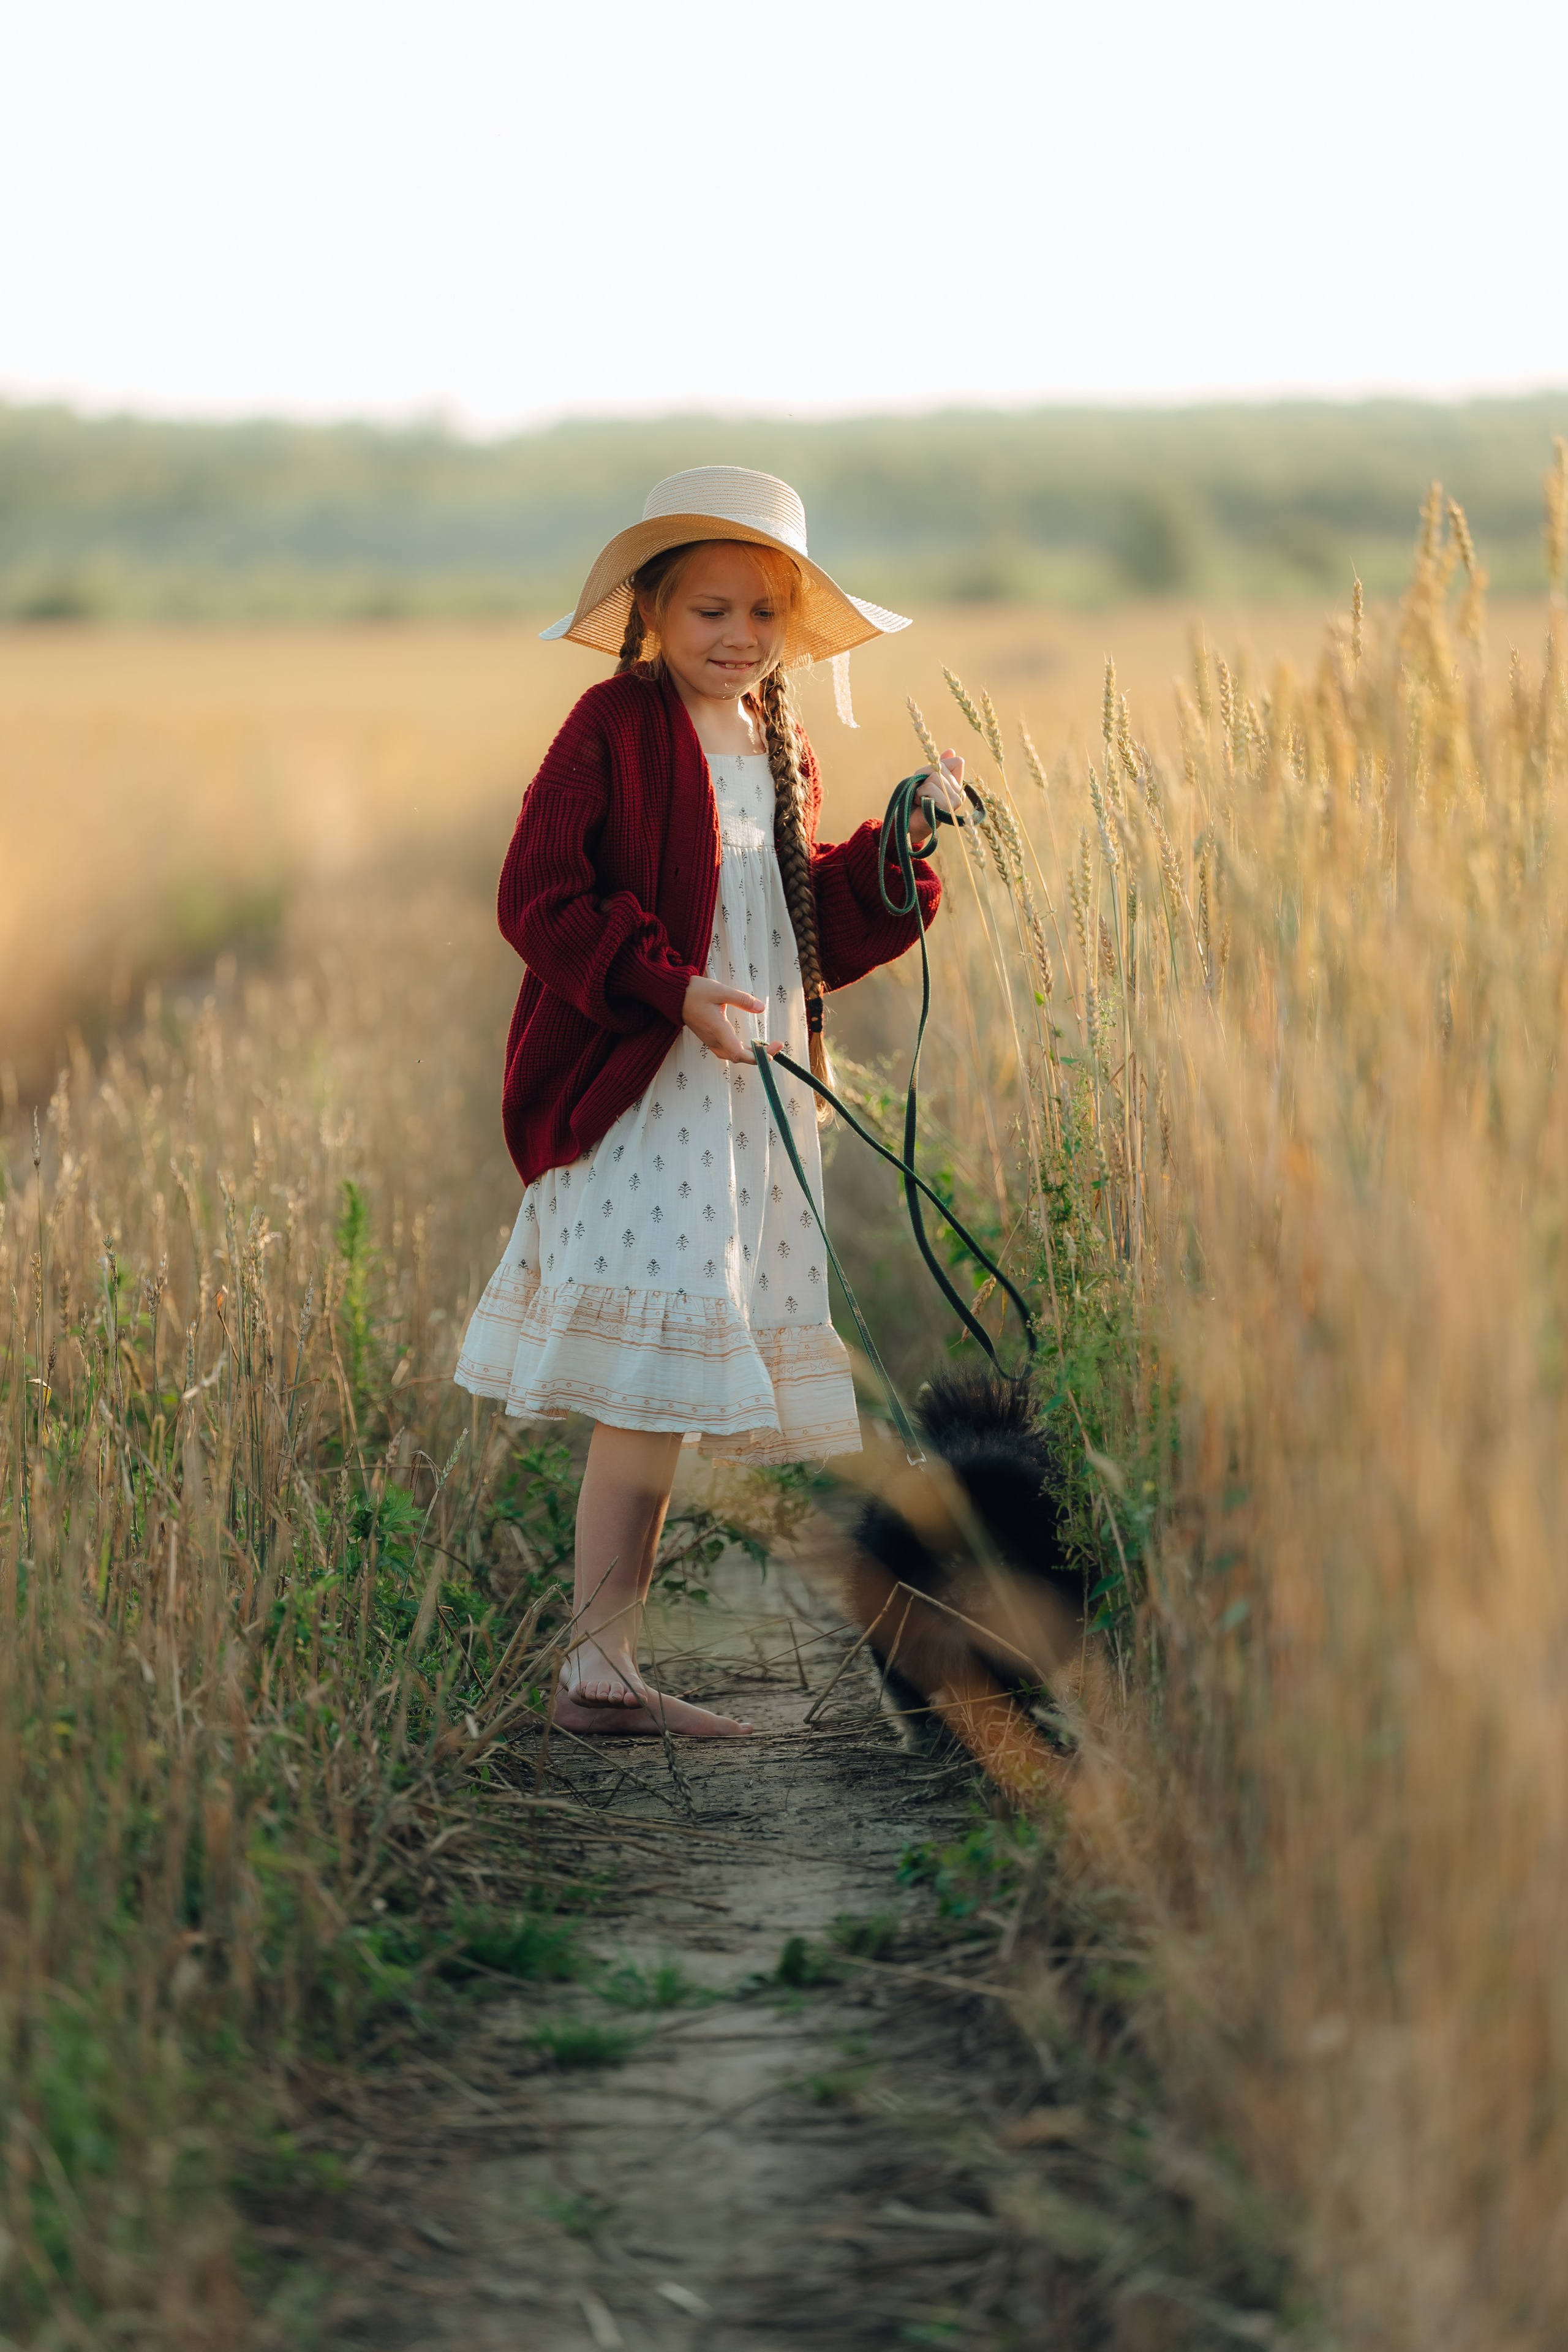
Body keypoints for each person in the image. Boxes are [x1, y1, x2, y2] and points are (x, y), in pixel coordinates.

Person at [455, 467, 967, 1737]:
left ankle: (606, 1664)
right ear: (650, 614)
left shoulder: (777, 740)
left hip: (743, 1094)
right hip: (648, 1093)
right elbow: (538, 898)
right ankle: (592, 1669)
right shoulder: (608, 733)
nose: (738, 639)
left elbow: (797, 927)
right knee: (645, 1382)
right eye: (708, 613)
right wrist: (667, 990)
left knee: (664, 1393)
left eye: (760, 616)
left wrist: (897, 845)